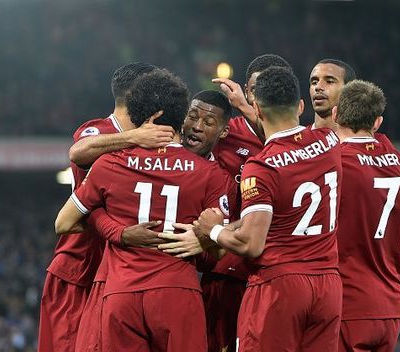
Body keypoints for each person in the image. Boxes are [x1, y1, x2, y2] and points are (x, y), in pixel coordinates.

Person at [55, 68, 232, 352]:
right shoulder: (211, 173)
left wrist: (115, 229)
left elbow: (63, 223)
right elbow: (222, 249)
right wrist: (202, 238)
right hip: (178, 292)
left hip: (121, 293)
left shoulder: (110, 163)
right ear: (179, 116)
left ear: (144, 118)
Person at [194, 66, 343, 351]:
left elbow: (250, 243)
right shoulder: (329, 142)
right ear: (300, 105)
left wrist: (211, 230)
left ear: (257, 109)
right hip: (328, 287)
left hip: (280, 286)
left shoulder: (261, 166)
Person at [38, 62, 173, 352]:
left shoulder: (153, 137)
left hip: (125, 275)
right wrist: (132, 138)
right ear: (140, 96)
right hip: (81, 270)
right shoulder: (97, 130)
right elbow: (78, 152)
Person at [201, 54, 295, 352]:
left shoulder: (297, 141)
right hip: (227, 269)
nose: (261, 96)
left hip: (276, 272)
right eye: (256, 89)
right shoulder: (226, 131)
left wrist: (244, 105)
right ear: (246, 89)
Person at [333, 80, 400, 352]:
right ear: (377, 121)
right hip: (390, 306)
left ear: (337, 114)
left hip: (347, 303)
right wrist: (378, 242)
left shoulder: (334, 164)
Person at [309, 58, 356, 130]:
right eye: (314, 82)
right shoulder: (296, 140)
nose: (318, 87)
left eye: (329, 81)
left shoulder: (365, 140)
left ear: (349, 90)